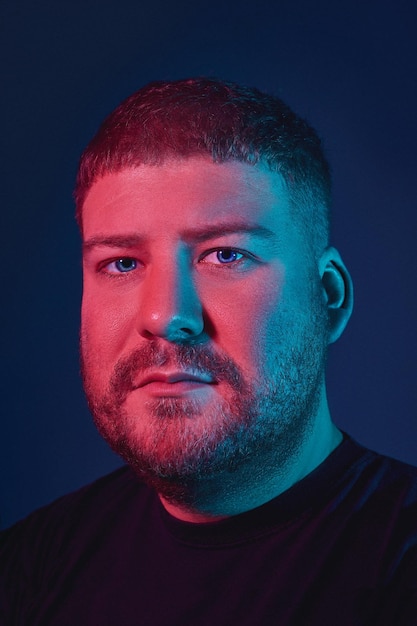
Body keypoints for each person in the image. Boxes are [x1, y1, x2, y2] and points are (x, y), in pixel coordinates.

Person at [1, 77, 416, 625]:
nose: (165, 318)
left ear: (328, 298)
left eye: (224, 256)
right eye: (122, 263)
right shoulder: (30, 566)